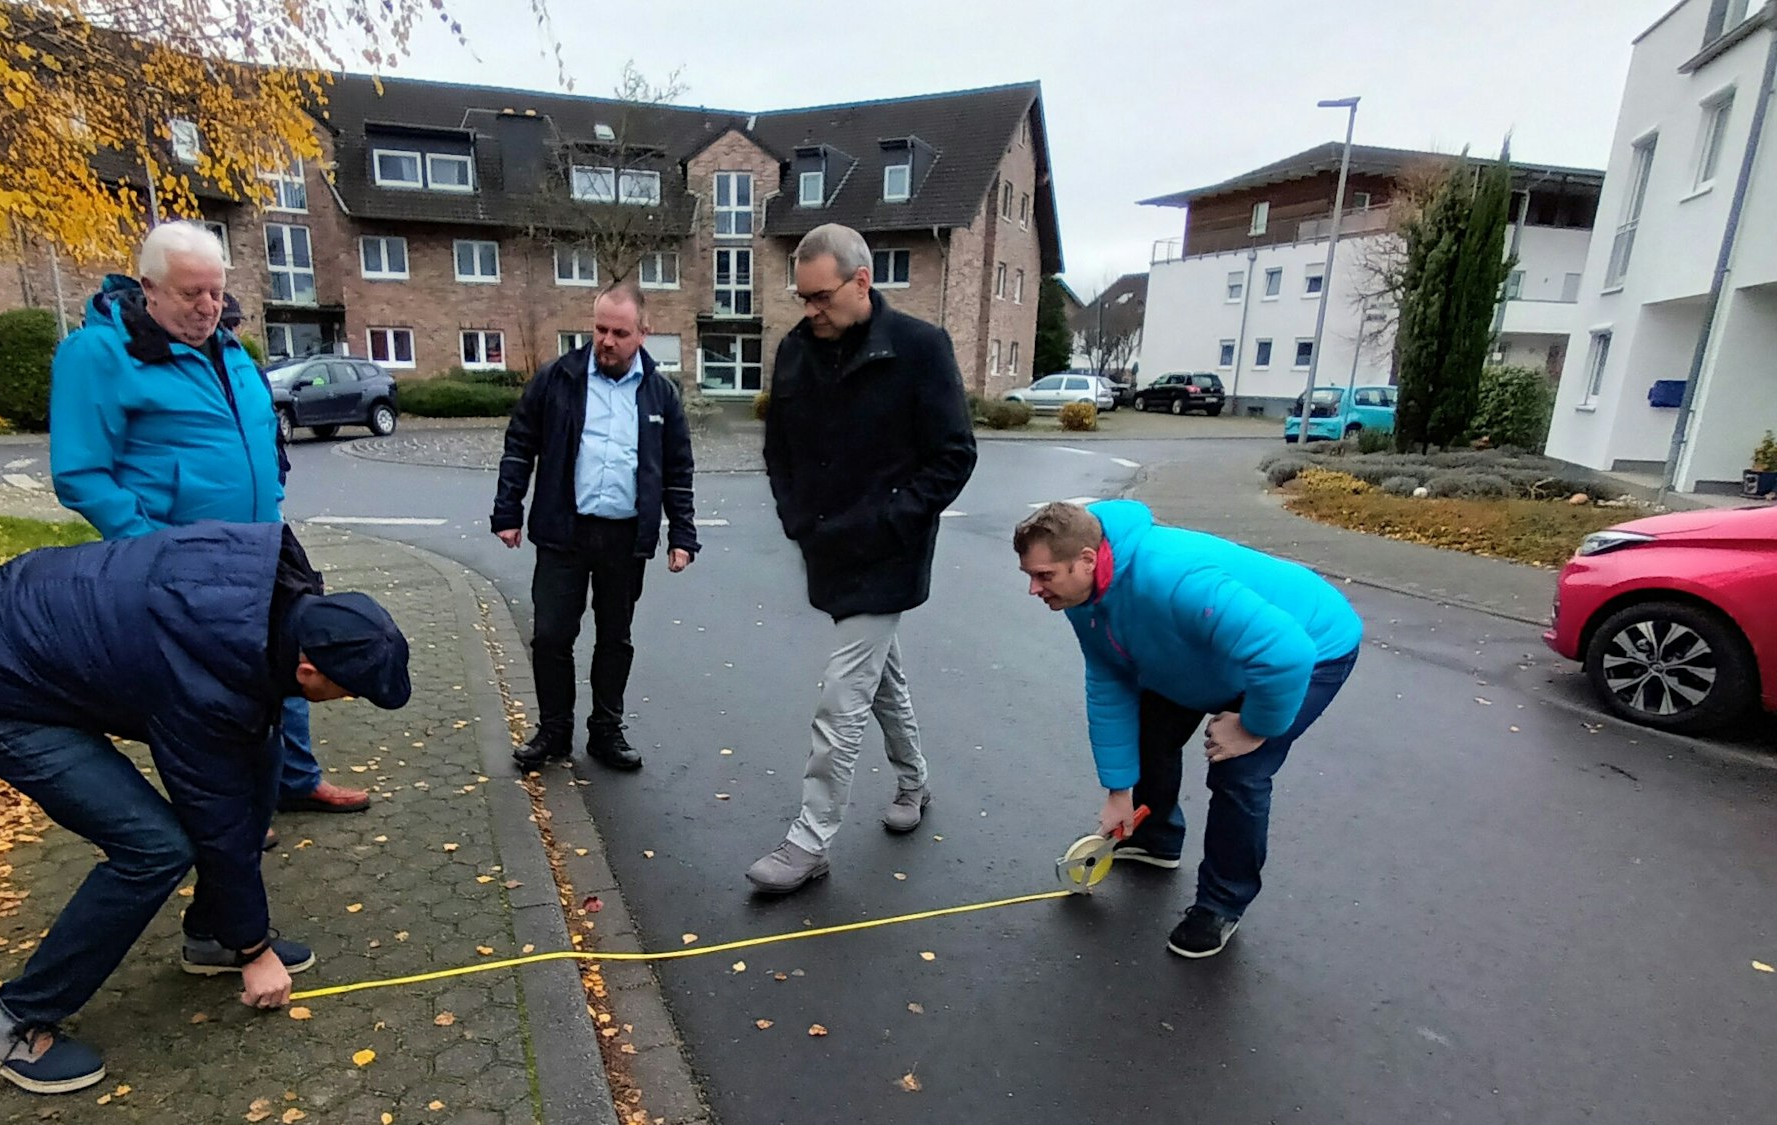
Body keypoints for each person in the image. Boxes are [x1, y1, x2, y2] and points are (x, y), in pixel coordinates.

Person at [0, 521, 412, 1093]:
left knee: (262, 767)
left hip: (44, 642)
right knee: (153, 847)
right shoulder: (209, 676)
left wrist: (237, 931)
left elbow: (238, 781)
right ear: (308, 670)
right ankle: (15, 1025)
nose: (345, 701)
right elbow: (214, 813)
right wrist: (256, 952)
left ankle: (213, 937)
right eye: (346, 691)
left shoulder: (271, 609)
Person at [48, 221, 367, 816]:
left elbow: (257, 434)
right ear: (149, 288)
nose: (208, 307)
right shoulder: (98, 354)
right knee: (207, 692)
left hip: (259, 543)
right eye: (192, 293)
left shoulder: (227, 349)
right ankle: (232, 810)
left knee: (288, 659)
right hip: (177, 556)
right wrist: (148, 548)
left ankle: (294, 780)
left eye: (217, 292)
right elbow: (80, 473)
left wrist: (269, 492)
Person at [1013, 499, 1363, 958]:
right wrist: (1121, 792)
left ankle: (1221, 905)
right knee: (1150, 726)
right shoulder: (1081, 597)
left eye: (1043, 576)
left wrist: (1253, 727)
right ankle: (1154, 834)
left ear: (1085, 560)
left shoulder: (1171, 576)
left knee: (1239, 772)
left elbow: (1287, 654)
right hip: (1216, 655)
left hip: (1310, 646)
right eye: (1029, 576)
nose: (1033, 589)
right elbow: (1110, 681)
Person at [747, 223, 977, 894]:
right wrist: (795, 516)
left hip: (887, 553)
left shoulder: (920, 348)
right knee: (882, 679)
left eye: (821, 297)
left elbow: (954, 455)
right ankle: (915, 780)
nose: (811, 310)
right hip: (826, 546)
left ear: (861, 281)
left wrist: (893, 516)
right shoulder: (795, 350)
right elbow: (778, 447)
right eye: (803, 297)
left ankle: (809, 841)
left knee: (841, 699)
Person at [492, 283, 698, 772]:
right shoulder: (556, 379)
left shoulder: (660, 394)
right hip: (564, 531)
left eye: (620, 333)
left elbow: (677, 469)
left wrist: (682, 535)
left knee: (615, 639)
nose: (607, 340)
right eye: (600, 329)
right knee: (551, 637)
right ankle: (554, 731)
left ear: (643, 334)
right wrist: (507, 511)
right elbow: (520, 444)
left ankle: (606, 731)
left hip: (624, 539)